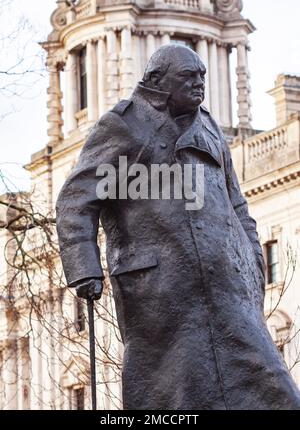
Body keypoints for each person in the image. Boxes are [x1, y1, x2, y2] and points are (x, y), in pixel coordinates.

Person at [56, 45, 300, 410]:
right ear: (157, 81)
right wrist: (84, 269)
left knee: (274, 392)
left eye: (202, 75)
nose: (200, 83)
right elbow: (76, 199)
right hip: (159, 294)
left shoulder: (211, 126)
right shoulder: (123, 124)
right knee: (170, 395)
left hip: (227, 288)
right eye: (189, 76)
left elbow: (237, 204)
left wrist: (251, 259)